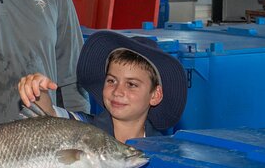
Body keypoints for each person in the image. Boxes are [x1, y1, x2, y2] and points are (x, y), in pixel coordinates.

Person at [18, 31, 188, 143]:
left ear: (155, 95)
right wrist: (37, 92)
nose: (118, 91)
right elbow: (50, 116)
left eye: (131, 84)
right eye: (112, 81)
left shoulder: (162, 149)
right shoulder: (84, 129)